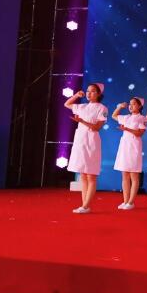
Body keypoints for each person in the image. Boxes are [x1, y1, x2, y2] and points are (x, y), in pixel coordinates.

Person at [64, 83, 108, 214]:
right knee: (83, 174)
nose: (89, 93)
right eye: (87, 91)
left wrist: (82, 121)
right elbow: (67, 104)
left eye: (93, 91)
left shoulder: (102, 108)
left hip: (92, 141)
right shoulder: (82, 106)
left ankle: (85, 205)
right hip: (80, 141)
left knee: (91, 175)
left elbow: (97, 127)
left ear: (99, 94)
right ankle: (84, 205)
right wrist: (76, 95)